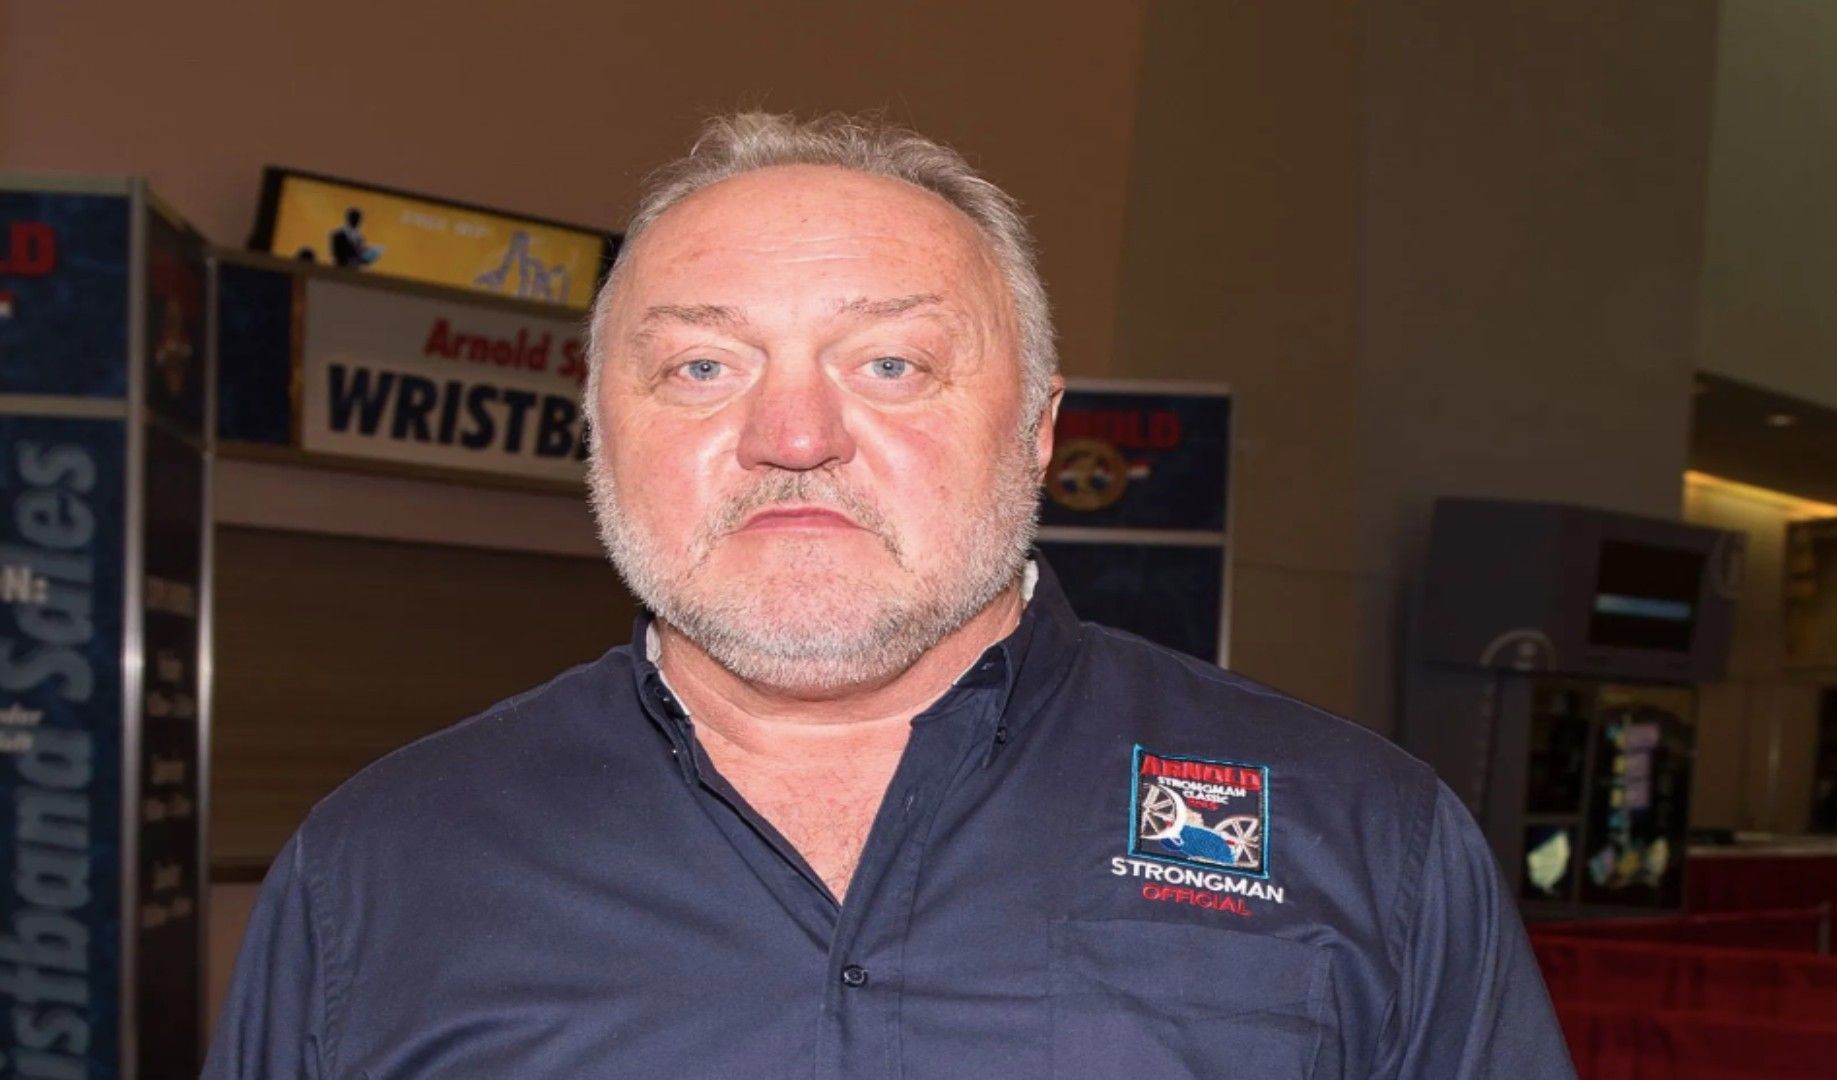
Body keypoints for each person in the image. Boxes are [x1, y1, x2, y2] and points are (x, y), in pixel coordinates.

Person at [206, 112, 1574, 1078]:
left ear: (1039, 429)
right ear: (596, 428)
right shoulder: (382, 864)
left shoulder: (1367, 844)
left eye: (893, 367)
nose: (793, 433)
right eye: (700, 369)